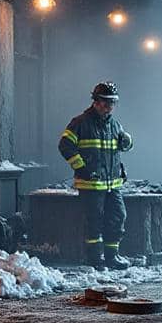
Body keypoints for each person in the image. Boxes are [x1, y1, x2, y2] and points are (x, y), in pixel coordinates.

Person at [58, 82, 134, 270]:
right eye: (106, 103)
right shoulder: (80, 123)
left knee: (117, 217)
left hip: (112, 184)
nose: (110, 107)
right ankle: (95, 258)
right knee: (95, 222)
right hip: (90, 184)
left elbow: (124, 146)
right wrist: (82, 168)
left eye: (113, 103)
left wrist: (128, 141)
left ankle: (112, 257)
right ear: (96, 102)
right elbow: (65, 145)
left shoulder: (115, 125)